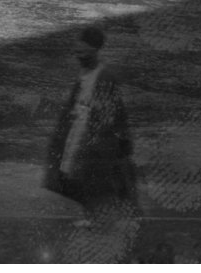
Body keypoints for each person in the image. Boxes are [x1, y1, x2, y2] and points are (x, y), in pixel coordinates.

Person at [44, 26, 136, 217]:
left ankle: (96, 216)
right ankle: (95, 212)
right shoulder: (83, 76)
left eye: (83, 47)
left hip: (92, 137)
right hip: (78, 132)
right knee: (69, 176)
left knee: (87, 176)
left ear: (94, 49)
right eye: (77, 49)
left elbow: (112, 114)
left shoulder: (104, 77)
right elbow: (73, 106)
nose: (78, 51)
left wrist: (102, 140)